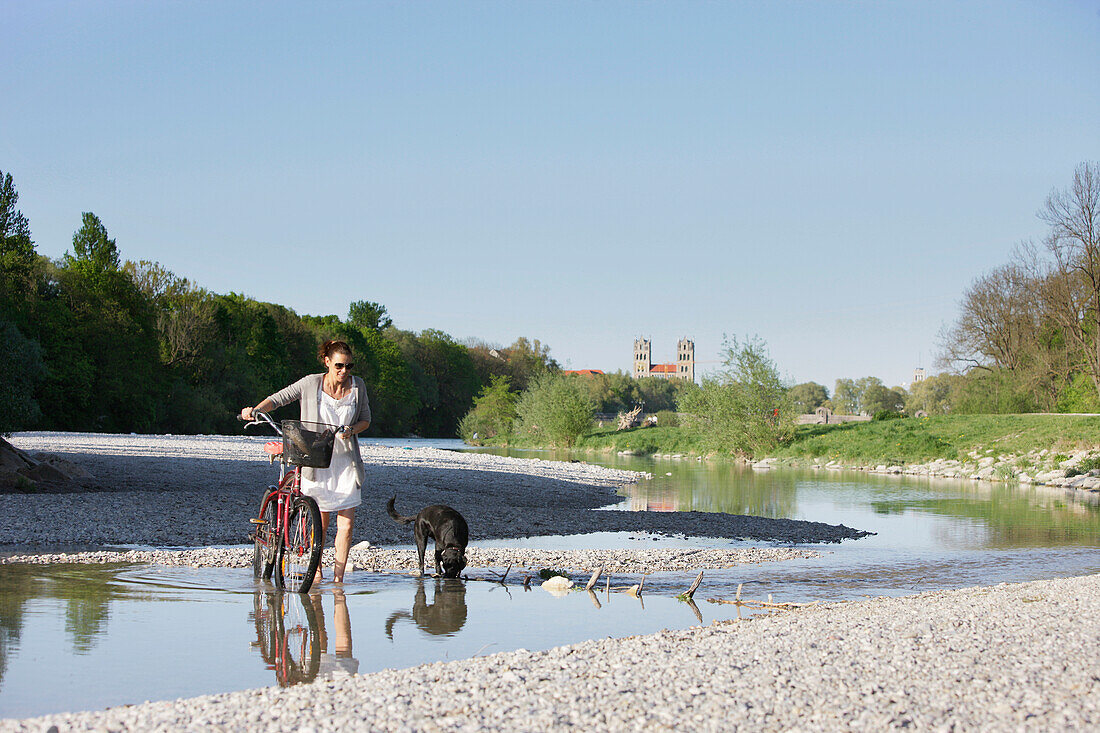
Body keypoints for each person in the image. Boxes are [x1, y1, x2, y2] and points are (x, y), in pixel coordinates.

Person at [241, 339, 371, 584]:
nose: (345, 371)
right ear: (327, 362)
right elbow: (279, 398)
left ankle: (339, 581)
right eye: (339, 366)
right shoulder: (311, 383)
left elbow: (366, 419)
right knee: (319, 523)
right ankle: (317, 572)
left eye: (349, 366)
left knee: (346, 526)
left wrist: (351, 430)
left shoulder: (358, 387)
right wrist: (256, 410)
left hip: (345, 462)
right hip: (315, 460)